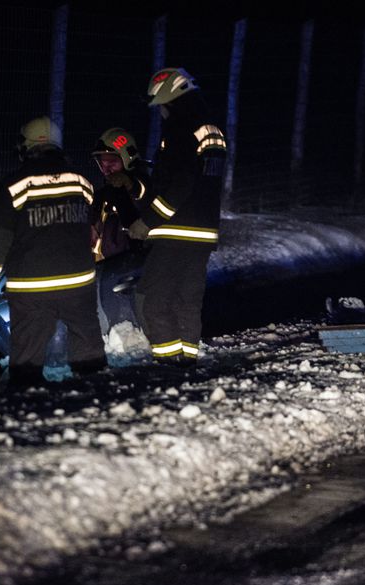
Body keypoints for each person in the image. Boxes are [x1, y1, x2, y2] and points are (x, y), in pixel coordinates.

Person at [0, 115, 106, 387]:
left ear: (25, 148)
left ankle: (28, 406)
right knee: (88, 351)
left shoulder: (13, 186)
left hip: (31, 289)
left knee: (27, 359)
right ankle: (96, 400)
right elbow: (94, 226)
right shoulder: (82, 181)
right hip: (78, 284)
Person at [123, 67, 227, 366]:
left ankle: (169, 364)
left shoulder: (182, 127)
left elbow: (179, 182)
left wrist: (148, 222)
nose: (161, 114)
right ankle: (188, 363)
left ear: (170, 99)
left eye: (161, 107)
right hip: (203, 234)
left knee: (154, 299)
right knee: (187, 300)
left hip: (176, 231)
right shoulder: (212, 130)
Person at [89, 127, 152, 330]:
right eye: (102, 163)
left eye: (112, 162)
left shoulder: (140, 184)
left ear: (128, 158)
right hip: (103, 269)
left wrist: (129, 183)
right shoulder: (102, 194)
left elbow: (141, 190)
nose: (107, 169)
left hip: (128, 269)